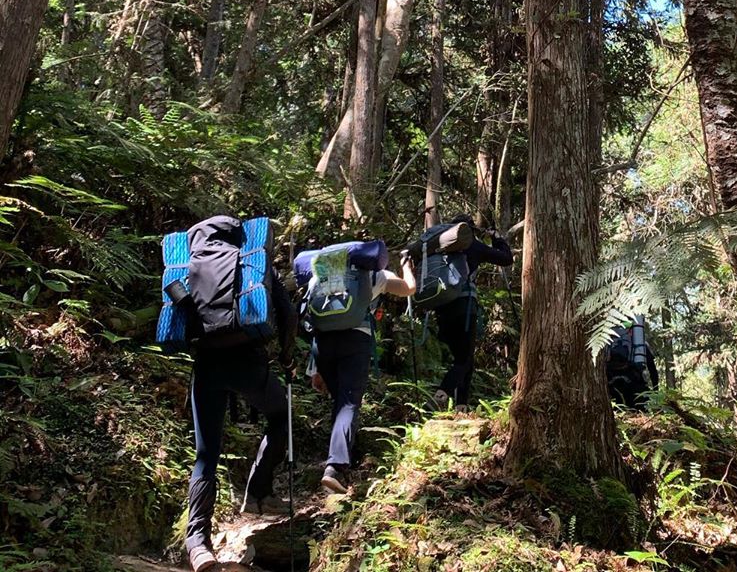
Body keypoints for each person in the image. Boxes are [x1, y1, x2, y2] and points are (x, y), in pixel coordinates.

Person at [185, 239, 297, 572]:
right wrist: (287, 356)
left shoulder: (189, 261)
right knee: (282, 416)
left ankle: (197, 544)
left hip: (206, 365)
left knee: (206, 454)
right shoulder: (252, 260)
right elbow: (288, 313)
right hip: (248, 363)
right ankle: (258, 491)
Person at [306, 252, 416, 494]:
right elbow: (409, 289)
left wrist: (315, 369)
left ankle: (343, 459)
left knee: (340, 402)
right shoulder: (372, 275)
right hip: (354, 341)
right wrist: (407, 266)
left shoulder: (320, 279)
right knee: (348, 403)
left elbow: (314, 319)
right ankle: (335, 468)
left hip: (322, 346)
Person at [430, 216, 513, 411]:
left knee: (464, 357)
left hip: (441, 307)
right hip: (464, 307)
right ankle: (441, 395)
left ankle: (461, 407)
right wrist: (497, 238)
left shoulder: (439, 247)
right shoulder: (472, 245)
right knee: (464, 359)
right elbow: (506, 258)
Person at [605, 322, 660, 409]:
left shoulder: (607, 344)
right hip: (635, 389)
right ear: (632, 331)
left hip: (611, 388)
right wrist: (656, 391)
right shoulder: (640, 345)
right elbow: (652, 371)